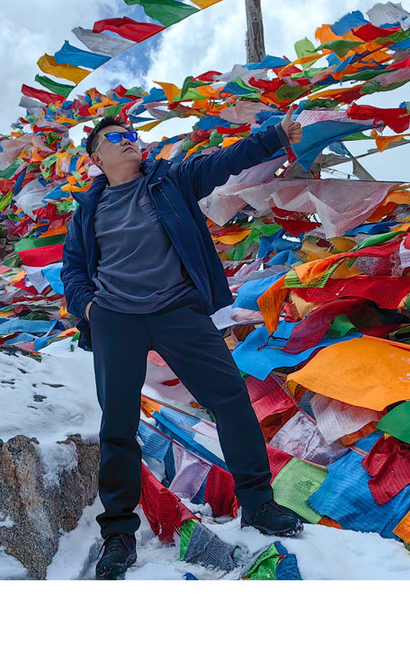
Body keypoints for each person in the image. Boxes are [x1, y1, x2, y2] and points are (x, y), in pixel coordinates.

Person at [62, 108, 305, 580]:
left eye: (131, 133)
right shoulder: (88, 210)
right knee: (118, 424)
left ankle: (257, 504)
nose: (128, 139)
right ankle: (118, 535)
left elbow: (223, 161)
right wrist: (89, 308)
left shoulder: (170, 179)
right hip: (117, 318)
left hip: (178, 311)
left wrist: (274, 136)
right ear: (96, 157)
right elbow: (74, 269)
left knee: (231, 400)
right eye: (115, 136)